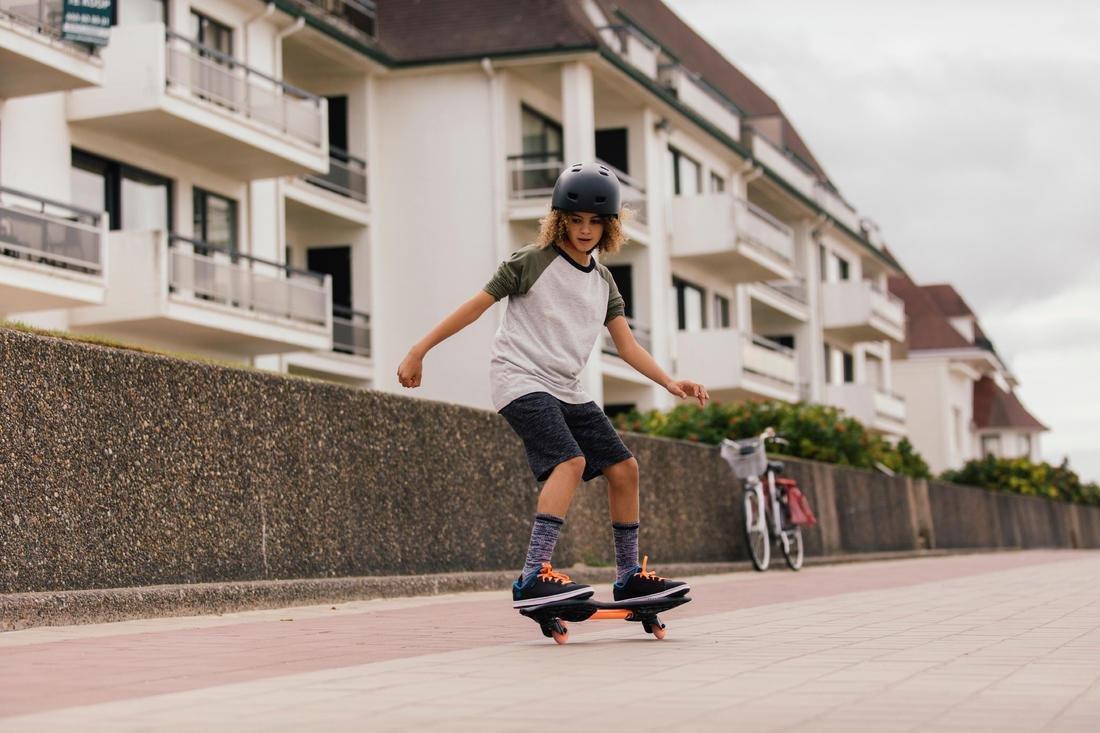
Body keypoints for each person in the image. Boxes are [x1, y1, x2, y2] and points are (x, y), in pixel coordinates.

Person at [397, 162, 709, 609]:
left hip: (567, 388)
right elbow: (474, 307)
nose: (585, 230)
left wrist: (669, 381)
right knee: (570, 462)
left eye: (595, 222)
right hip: (519, 378)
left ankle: (628, 578)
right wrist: (419, 349)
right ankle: (533, 576)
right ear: (560, 219)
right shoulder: (532, 261)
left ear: (610, 226)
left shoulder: (602, 282)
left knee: (624, 469)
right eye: (576, 220)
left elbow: (626, 345)